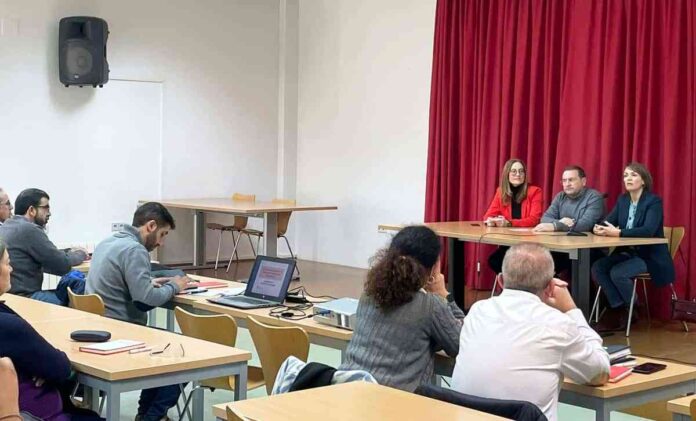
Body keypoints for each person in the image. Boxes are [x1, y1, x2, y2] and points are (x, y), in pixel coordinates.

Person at [451, 243, 609, 421]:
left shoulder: (477, 311)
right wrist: (572, 310)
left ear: (501, 280)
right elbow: (599, 373)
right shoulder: (558, 324)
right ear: (550, 287)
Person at [86, 202, 190, 421]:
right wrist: (175, 286)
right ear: (150, 226)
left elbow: (121, 283)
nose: (161, 242)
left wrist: (147, 282)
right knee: (184, 350)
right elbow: (145, 301)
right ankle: (151, 417)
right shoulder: (135, 249)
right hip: (122, 334)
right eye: (162, 234)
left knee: (165, 344)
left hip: (98, 328)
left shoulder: (108, 242)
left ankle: (146, 414)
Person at [337, 225, 465, 392]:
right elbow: (461, 343)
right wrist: (444, 294)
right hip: (392, 401)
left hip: (345, 391)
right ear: (433, 268)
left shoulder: (368, 295)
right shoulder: (430, 305)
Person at [0, 239, 102, 420]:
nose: (11, 269)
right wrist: (40, 367)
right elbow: (61, 368)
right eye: (7, 263)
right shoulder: (9, 326)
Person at [591, 162, 674, 332]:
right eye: (625, 175)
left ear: (643, 181)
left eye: (633, 175)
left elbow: (648, 230)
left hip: (649, 255)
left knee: (618, 273)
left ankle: (632, 306)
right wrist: (598, 227)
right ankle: (619, 308)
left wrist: (619, 233)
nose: (628, 178)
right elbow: (608, 221)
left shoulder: (653, 201)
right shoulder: (623, 200)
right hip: (628, 251)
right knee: (598, 267)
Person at [0, 188, 88, 305]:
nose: (49, 213)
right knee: (79, 291)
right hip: (25, 299)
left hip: (10, 297)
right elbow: (62, 265)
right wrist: (82, 253)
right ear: (32, 210)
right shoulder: (29, 229)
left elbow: (46, 255)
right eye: (46, 208)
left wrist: (68, 251)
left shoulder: (8, 225)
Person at [533, 165, 606, 274]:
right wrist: (561, 222)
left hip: (589, 249)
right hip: (563, 246)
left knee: (554, 261)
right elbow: (545, 218)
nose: (567, 184)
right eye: (564, 180)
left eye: (571, 180)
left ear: (583, 181)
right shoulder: (560, 196)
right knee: (538, 261)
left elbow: (584, 225)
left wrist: (555, 226)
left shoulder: (594, 197)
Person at [483, 159, 543, 273]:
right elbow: (488, 216)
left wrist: (509, 223)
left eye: (521, 171)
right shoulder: (501, 192)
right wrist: (492, 221)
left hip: (528, 243)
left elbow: (534, 220)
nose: (518, 174)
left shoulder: (535, 191)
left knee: (518, 265)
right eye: (514, 171)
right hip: (508, 243)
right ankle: (511, 284)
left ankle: (518, 284)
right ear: (507, 174)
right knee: (494, 261)